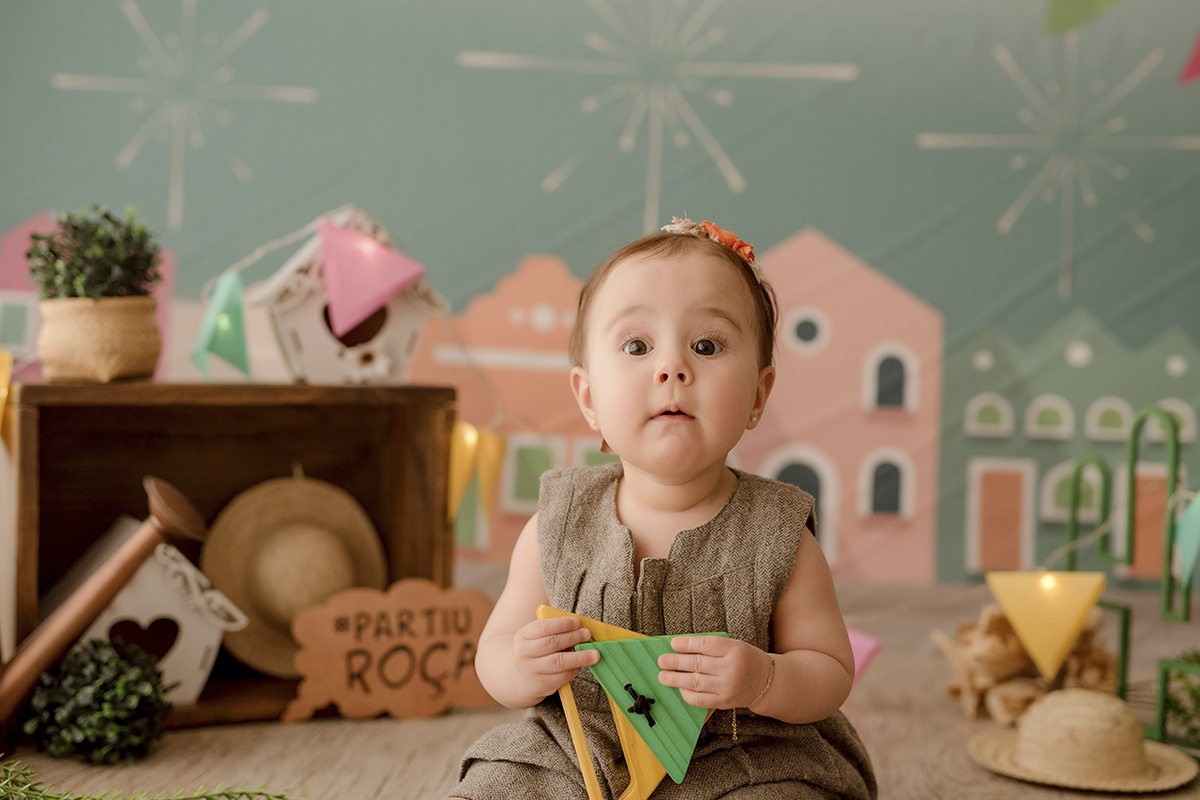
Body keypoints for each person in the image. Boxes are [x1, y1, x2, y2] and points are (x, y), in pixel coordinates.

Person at [443, 217, 876, 800]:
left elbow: (829, 670)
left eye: (706, 345)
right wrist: (521, 668)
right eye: (637, 346)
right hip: (583, 747)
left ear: (757, 394)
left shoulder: (778, 533)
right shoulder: (559, 522)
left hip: (739, 752)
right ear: (590, 398)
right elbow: (494, 651)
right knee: (498, 785)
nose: (672, 368)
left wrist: (765, 677)